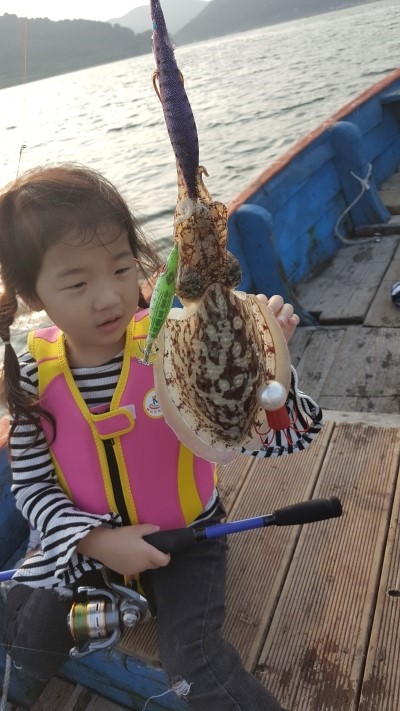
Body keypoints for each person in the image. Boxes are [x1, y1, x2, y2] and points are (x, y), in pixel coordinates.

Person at [0, 164, 319, 711]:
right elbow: (31, 488)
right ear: (31, 295)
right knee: (24, 638)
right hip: (83, 544)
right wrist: (95, 541)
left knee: (193, 663)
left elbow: (269, 436)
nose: (108, 297)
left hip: (187, 541)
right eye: (77, 283)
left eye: (121, 268)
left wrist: (269, 366)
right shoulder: (31, 379)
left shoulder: (176, 345)